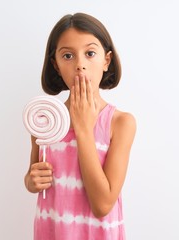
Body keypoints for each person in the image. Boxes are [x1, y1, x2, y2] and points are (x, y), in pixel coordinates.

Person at [24, 12, 136, 240]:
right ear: (55, 65)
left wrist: (83, 128)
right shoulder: (45, 119)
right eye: (67, 56)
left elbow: (103, 204)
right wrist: (31, 181)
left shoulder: (120, 123)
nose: (80, 65)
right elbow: (33, 175)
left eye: (90, 53)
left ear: (106, 60)